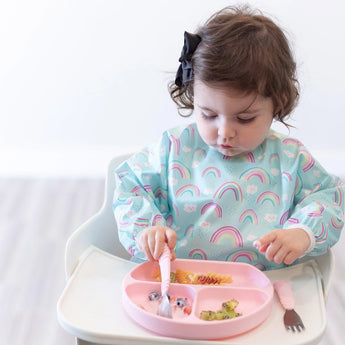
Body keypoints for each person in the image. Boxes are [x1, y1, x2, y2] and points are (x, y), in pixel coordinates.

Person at [113, 6, 344, 270]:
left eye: (245, 119)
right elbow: (130, 184)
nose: (225, 132)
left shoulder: (290, 158)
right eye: (208, 114)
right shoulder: (174, 148)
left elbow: (330, 196)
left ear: (277, 104)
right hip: (179, 283)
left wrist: (303, 232)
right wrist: (148, 228)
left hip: (260, 290)